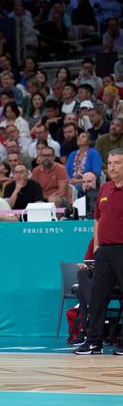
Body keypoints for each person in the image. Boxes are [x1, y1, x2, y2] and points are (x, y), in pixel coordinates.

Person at [75, 148, 123, 356]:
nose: (112, 167)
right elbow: (97, 219)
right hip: (103, 251)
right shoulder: (104, 188)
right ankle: (94, 342)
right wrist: (95, 247)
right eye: (110, 163)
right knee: (97, 296)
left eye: (117, 163)